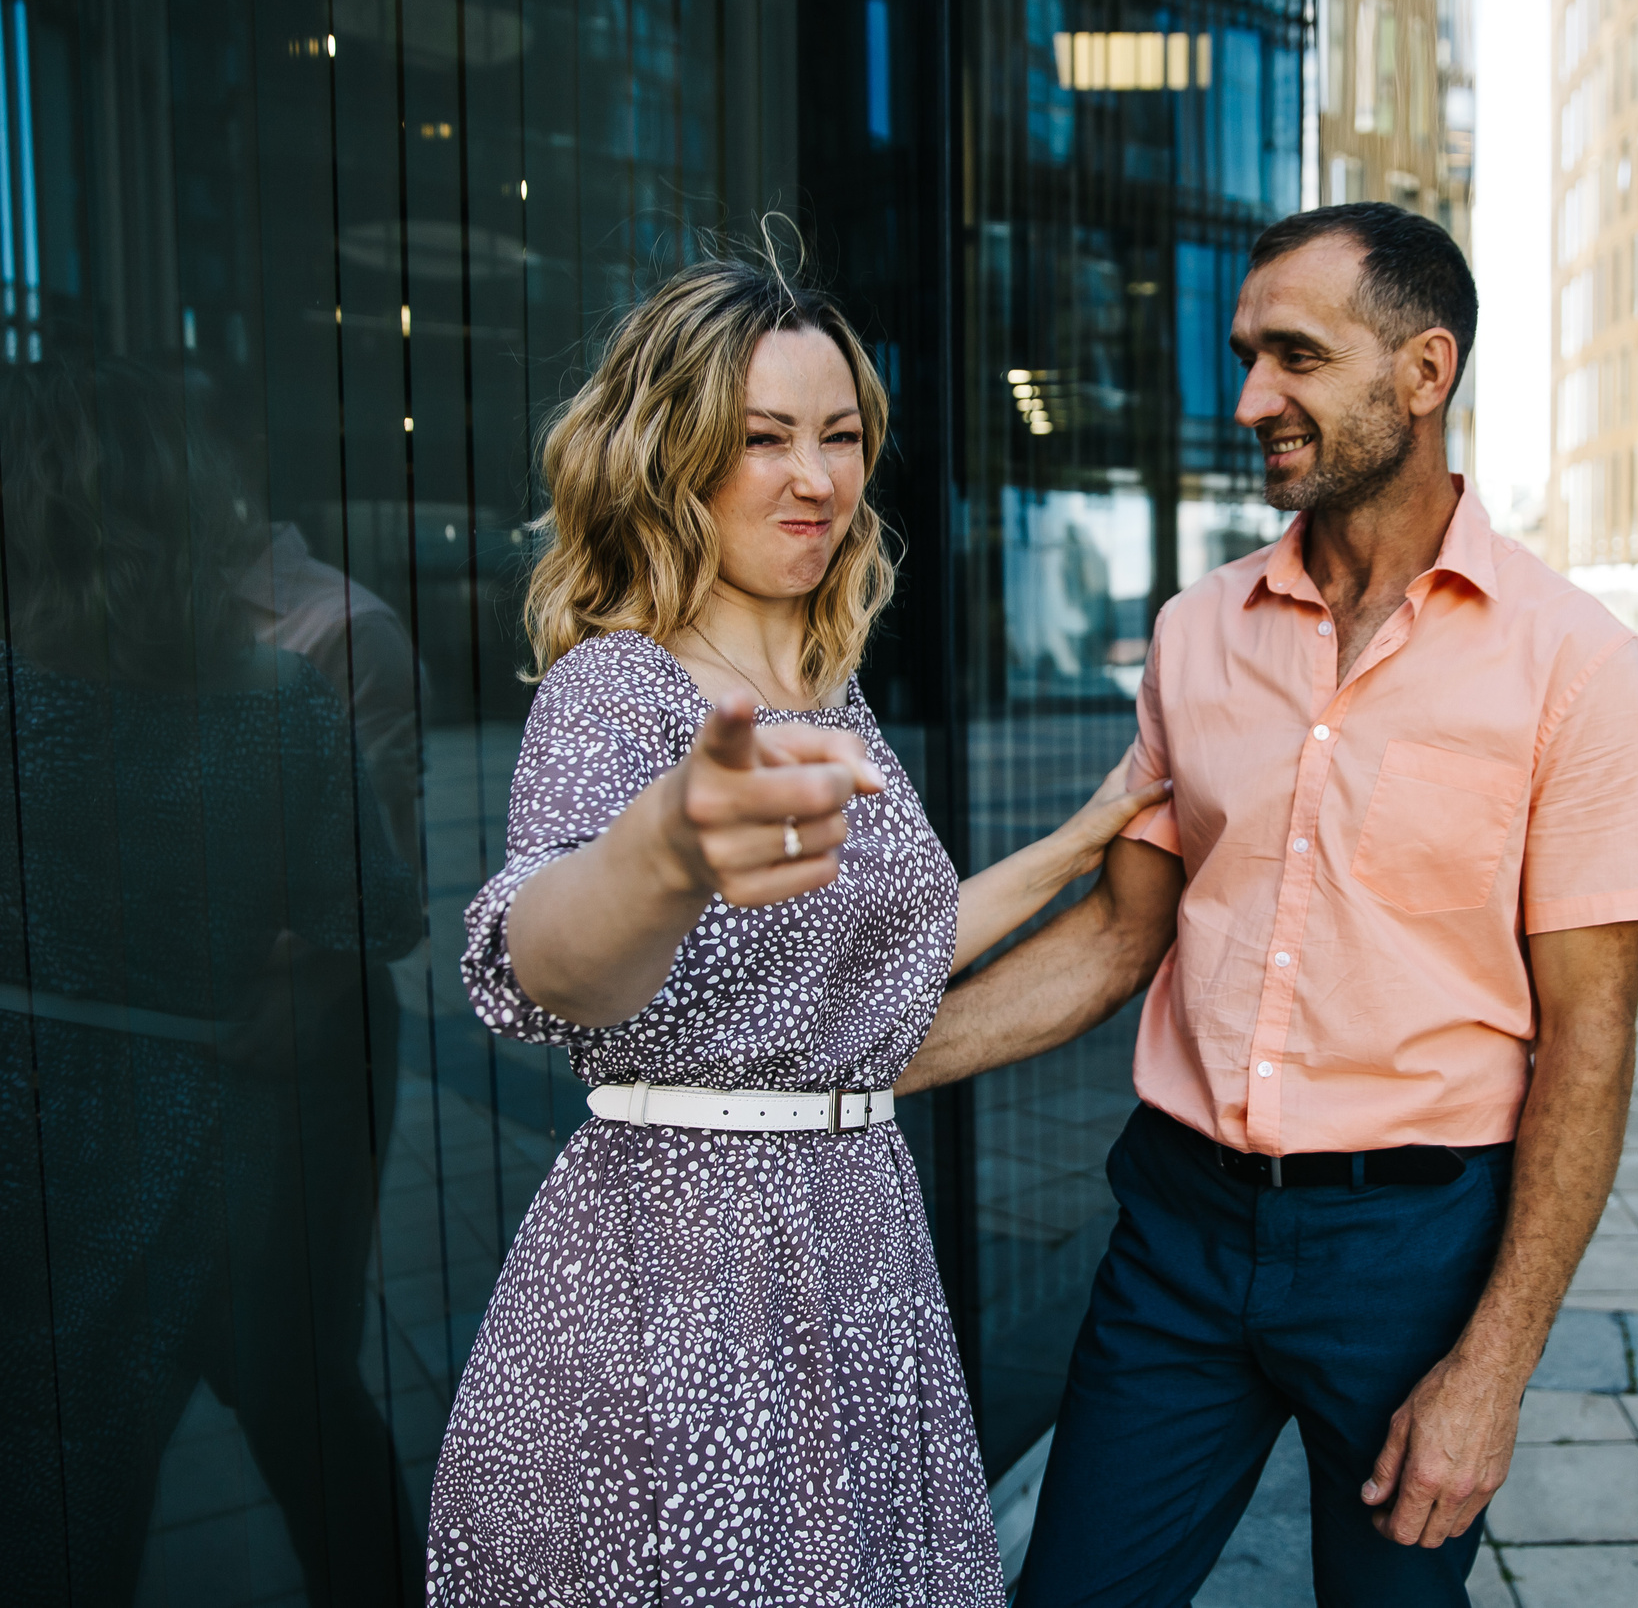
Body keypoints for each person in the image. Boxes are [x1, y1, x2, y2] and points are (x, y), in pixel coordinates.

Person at [901, 202, 1638, 1605]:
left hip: (1414, 1253)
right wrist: (855, 1058)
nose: (1250, 397)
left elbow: (1591, 1038)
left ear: (1424, 369)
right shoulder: (1194, 630)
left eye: (1296, 356)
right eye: (1245, 355)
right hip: (1180, 1234)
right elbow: (1114, 931)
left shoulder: (1574, 660)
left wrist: (1493, 1365)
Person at [422, 256, 1165, 1606]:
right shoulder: (618, 684)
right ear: (672, 457)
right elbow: (544, 956)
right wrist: (662, 850)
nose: (815, 477)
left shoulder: (827, 685)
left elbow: (883, 950)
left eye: (839, 435)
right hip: (682, 1266)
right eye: (762, 438)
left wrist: (1082, 838)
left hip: (856, 1236)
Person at [0, 360, 422, 1606]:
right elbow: (378, 907)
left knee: (39, 1499)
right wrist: (304, 981)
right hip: (219, 1115)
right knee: (290, 1405)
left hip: (9, 1136)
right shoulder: (278, 710)